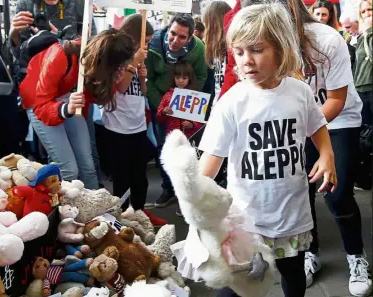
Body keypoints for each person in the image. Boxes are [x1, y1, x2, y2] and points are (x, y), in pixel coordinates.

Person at [197, 4, 336, 297]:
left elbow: (318, 125)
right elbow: (210, 161)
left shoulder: (299, 92)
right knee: (233, 286)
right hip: (245, 221)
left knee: (293, 276)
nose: (247, 61)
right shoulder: (232, 102)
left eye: (257, 50)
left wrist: (327, 155)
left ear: (281, 49)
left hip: (292, 216)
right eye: (239, 52)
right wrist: (196, 199)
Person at [240, 0, 369, 295]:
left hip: (338, 120)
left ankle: (356, 257)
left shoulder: (327, 39)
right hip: (295, 122)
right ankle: (310, 253)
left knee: (338, 194)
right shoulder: (267, 41)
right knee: (300, 191)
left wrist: (309, 133)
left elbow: (335, 100)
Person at [19, 29, 135, 189]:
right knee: (68, 169)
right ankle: (64, 210)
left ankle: (95, 206)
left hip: (68, 99)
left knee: (87, 165)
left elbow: (97, 99)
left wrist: (112, 83)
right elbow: (41, 106)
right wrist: (66, 108)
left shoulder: (96, 62)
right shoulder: (59, 55)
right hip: (39, 101)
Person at [102, 14, 167, 226]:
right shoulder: (117, 57)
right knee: (122, 178)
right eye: (145, 41)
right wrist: (133, 64)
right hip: (118, 128)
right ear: (132, 38)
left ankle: (139, 211)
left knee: (140, 176)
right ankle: (120, 216)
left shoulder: (138, 60)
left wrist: (141, 76)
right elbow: (120, 86)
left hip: (137, 125)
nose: (147, 45)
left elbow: (142, 91)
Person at [146, 13, 208, 208]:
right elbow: (148, 81)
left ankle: (190, 193)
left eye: (182, 37)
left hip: (188, 106)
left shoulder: (198, 48)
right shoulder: (153, 45)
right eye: (173, 34)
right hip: (164, 103)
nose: (175, 40)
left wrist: (190, 104)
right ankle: (168, 189)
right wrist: (163, 105)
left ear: (190, 37)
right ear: (168, 29)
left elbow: (201, 76)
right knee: (164, 148)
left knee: (191, 149)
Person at [156, 62, 204, 216]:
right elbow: (158, 117)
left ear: (190, 79)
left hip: (191, 141)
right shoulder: (168, 96)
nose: (181, 80)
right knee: (177, 173)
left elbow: (201, 122)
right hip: (173, 141)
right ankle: (179, 200)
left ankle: (189, 202)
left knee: (189, 173)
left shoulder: (195, 96)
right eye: (178, 77)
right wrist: (164, 112)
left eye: (184, 77)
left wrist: (192, 124)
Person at [9, 0, 96, 48]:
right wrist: (13, 36)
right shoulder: (25, 4)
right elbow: (19, 57)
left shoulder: (79, 4)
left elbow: (93, 47)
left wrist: (57, 40)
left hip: (69, 75)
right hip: (34, 73)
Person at [354, 0, 373, 126]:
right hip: (360, 87)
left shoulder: (368, 34)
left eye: (370, 9)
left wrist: (370, 31)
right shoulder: (362, 36)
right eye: (363, 11)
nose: (367, 14)